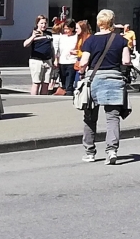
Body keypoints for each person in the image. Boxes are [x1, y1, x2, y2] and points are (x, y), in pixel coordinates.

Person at [77, 10, 131, 165]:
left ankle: (89, 152)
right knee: (112, 118)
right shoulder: (120, 40)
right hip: (114, 79)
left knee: (90, 117)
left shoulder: (90, 40)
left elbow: (84, 62)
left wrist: (82, 70)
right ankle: (112, 150)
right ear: (112, 22)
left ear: (99, 22)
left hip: (94, 79)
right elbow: (126, 61)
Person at [22, 15, 56, 94]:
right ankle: (33, 100)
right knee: (36, 82)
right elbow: (25, 44)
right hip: (36, 60)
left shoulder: (49, 34)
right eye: (41, 23)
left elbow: (52, 47)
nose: (44, 25)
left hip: (48, 61)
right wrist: (33, 36)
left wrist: (54, 59)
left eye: (45, 23)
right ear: (37, 24)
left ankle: (43, 99)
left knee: (46, 83)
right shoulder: (33, 33)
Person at [54, 21, 80, 95]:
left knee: (69, 82)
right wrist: (56, 59)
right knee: (63, 82)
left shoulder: (76, 37)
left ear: (72, 28)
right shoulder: (61, 37)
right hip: (62, 61)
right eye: (64, 29)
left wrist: (76, 52)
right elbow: (57, 49)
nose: (65, 31)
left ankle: (69, 93)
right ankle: (65, 93)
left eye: (67, 29)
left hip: (72, 61)